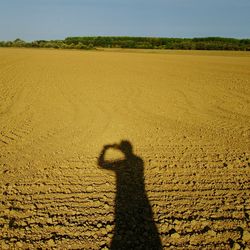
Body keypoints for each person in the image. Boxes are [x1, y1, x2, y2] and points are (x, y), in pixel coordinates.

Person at [98, 140, 162, 250]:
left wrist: (105, 149)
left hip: (123, 198)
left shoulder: (121, 164)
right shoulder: (139, 161)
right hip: (140, 197)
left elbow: (101, 164)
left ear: (122, 150)